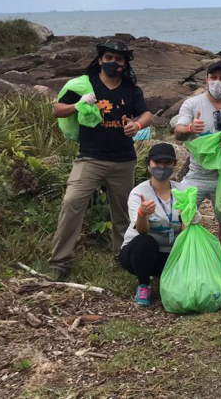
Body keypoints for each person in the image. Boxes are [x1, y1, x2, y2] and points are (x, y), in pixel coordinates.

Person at [49, 39, 152, 279]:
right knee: (71, 202)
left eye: (118, 59)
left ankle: (123, 257)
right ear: (99, 60)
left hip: (124, 160)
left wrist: (136, 125)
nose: (113, 63)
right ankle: (59, 262)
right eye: (108, 58)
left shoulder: (130, 88)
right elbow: (56, 109)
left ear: (125, 63)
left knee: (124, 213)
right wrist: (77, 104)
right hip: (90, 158)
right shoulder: (85, 85)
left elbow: (146, 114)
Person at [174, 60, 221, 282]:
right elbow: (178, 131)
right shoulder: (191, 104)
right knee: (183, 215)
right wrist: (190, 129)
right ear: (206, 79)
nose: (217, 82)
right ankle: (184, 261)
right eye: (213, 77)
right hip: (198, 173)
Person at [120, 143, 192, 307]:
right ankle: (144, 285)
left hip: (171, 254)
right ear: (148, 163)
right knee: (145, 241)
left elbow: (188, 231)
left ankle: (171, 280)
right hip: (138, 255)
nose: (161, 167)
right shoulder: (139, 193)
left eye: (167, 162)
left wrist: (185, 218)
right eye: (157, 162)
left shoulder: (183, 191)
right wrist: (142, 213)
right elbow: (142, 230)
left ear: (174, 164)